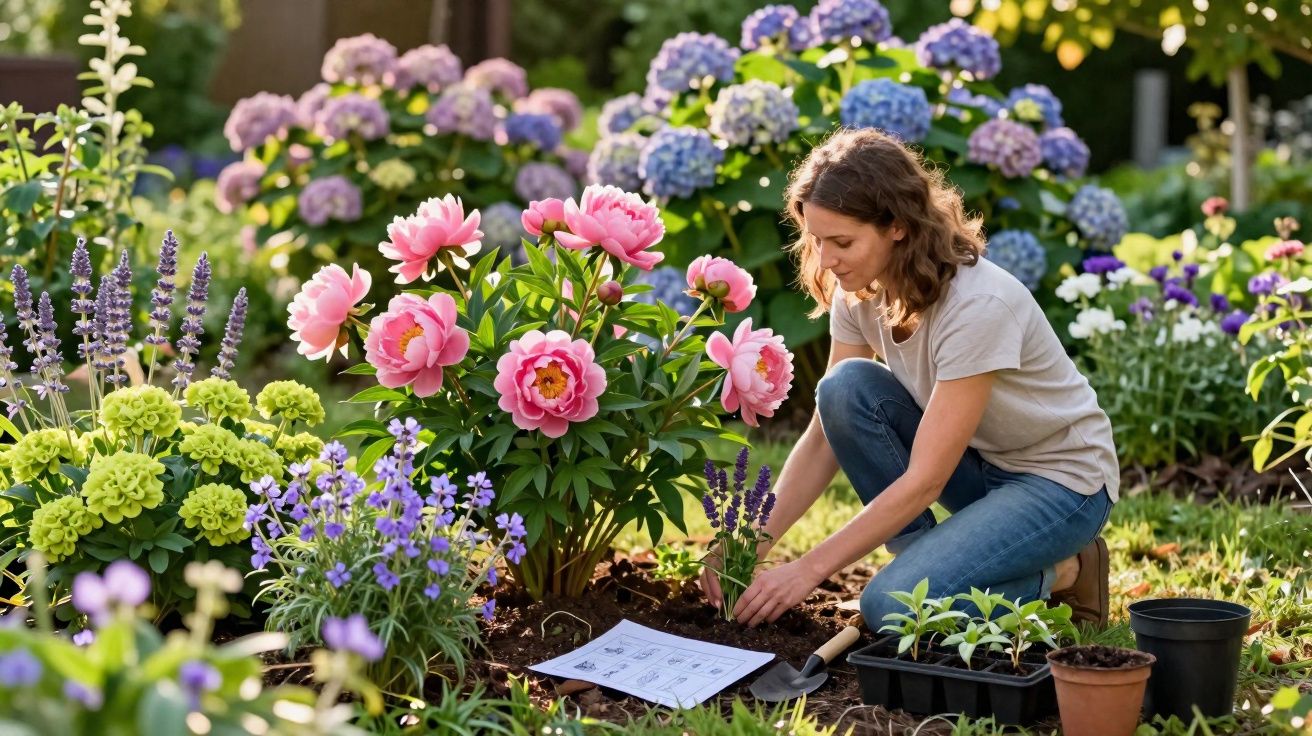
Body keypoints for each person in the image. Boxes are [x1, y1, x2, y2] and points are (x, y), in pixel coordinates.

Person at [699, 128, 1117, 631]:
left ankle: (1068, 571)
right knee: (844, 387)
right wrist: (748, 542)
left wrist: (807, 570)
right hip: (981, 467)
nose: (826, 259)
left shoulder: (977, 304)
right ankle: (935, 570)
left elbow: (926, 481)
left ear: (897, 226)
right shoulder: (858, 289)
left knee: (893, 608)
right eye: (816, 239)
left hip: (1061, 485)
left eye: (842, 241)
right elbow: (822, 438)